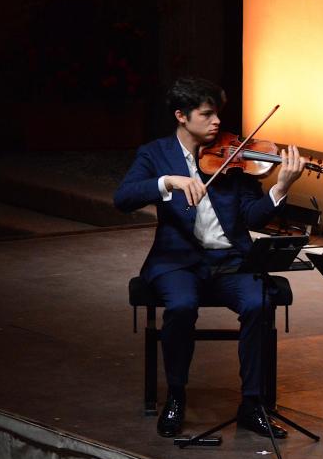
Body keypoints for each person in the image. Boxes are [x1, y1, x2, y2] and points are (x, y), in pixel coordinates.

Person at [114, 77, 307, 439]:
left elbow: (250, 217)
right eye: (206, 114)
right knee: (182, 306)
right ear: (181, 117)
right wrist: (167, 182)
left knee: (259, 303)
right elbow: (123, 198)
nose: (217, 122)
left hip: (230, 260)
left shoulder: (234, 155)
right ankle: (175, 395)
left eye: (217, 113)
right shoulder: (155, 154)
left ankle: (252, 403)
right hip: (178, 261)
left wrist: (280, 187)